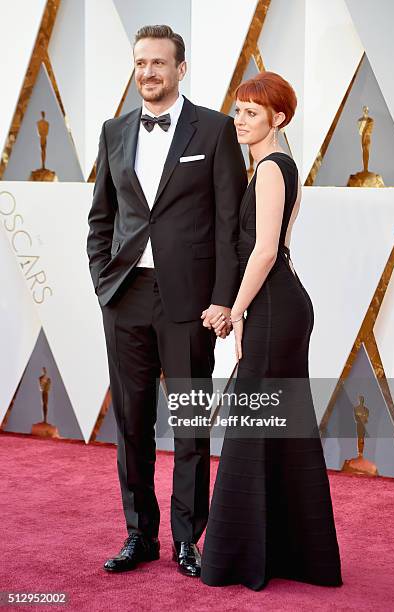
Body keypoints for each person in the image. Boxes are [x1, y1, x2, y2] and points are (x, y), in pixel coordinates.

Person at [86, 25, 247, 577]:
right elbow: (102, 217)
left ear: (181, 68)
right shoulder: (114, 131)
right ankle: (139, 536)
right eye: (140, 63)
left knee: (190, 424)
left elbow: (229, 224)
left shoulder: (217, 130)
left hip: (190, 302)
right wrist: (102, 282)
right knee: (131, 423)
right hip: (126, 296)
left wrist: (223, 299)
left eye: (159, 63)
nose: (148, 73)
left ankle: (187, 539)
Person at [200, 72, 343, 590]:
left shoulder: (272, 170)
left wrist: (236, 311)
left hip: (272, 306)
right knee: (272, 427)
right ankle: (288, 553)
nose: (240, 120)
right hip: (277, 305)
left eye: (251, 113)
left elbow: (265, 251)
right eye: (238, 110)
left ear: (278, 118)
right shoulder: (269, 167)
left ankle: (246, 556)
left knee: (254, 423)